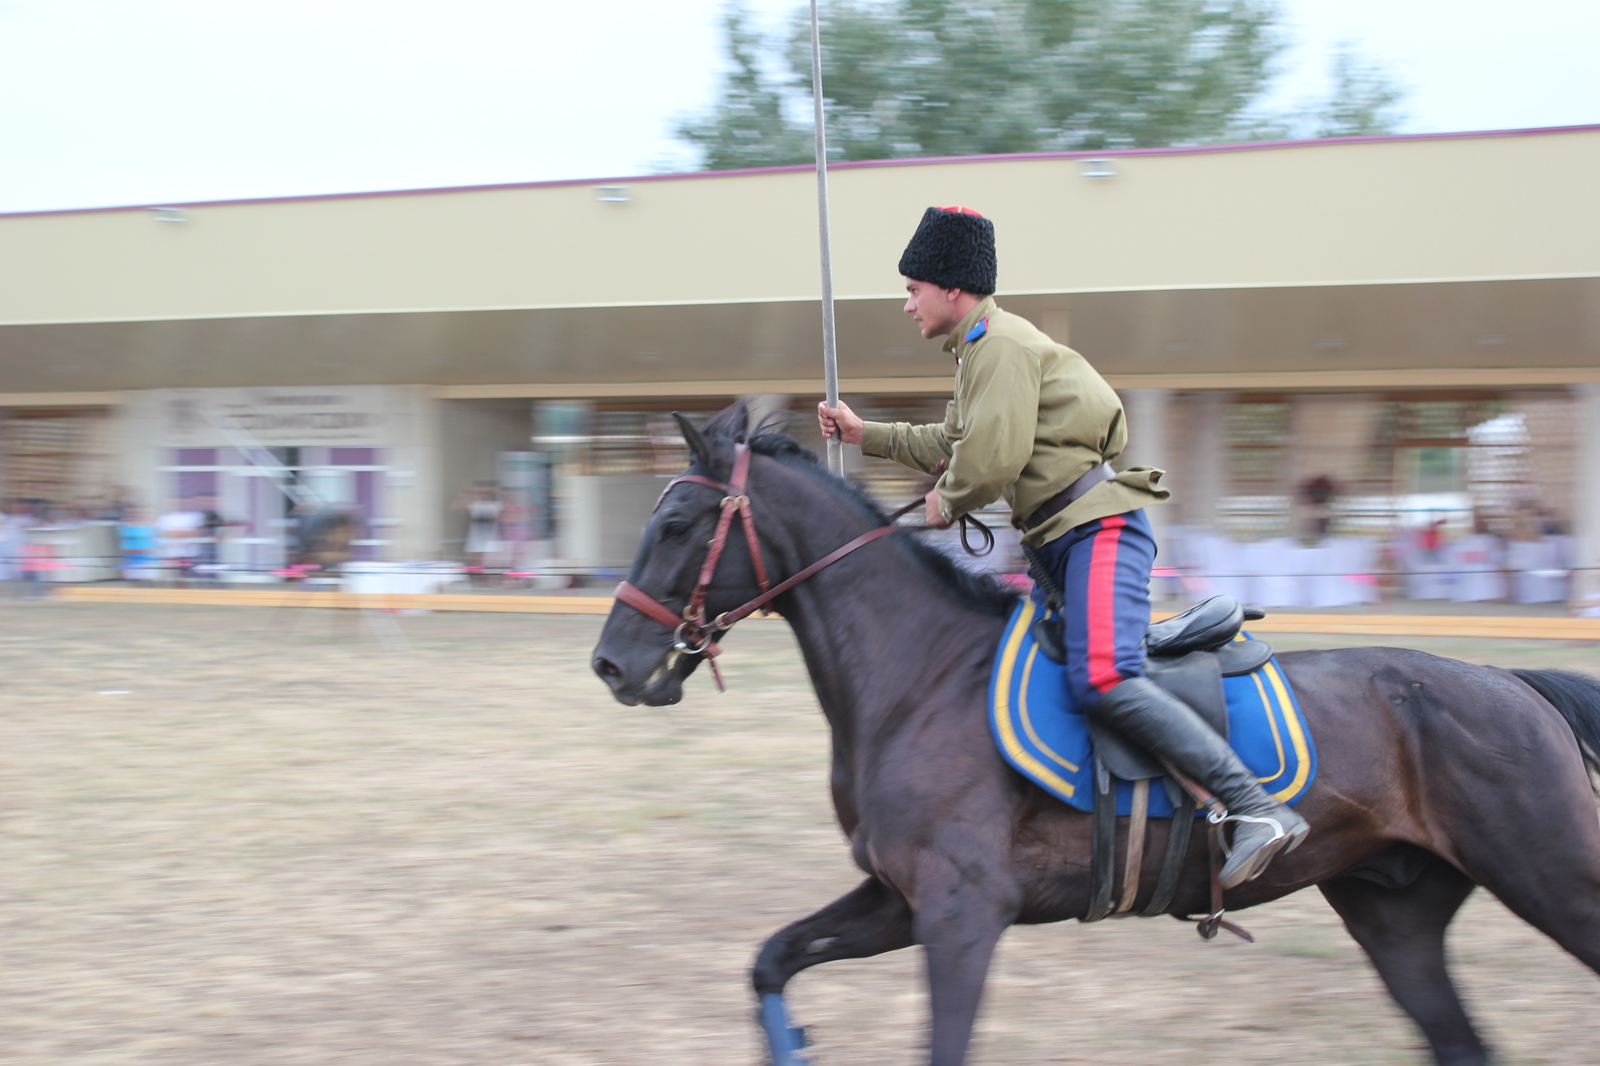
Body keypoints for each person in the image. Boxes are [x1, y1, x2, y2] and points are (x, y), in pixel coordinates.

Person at [817, 205, 1307, 889]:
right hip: (1059, 544)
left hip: (1097, 530)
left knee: (1103, 677)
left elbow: (989, 460)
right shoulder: (978, 352)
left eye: (912, 289)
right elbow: (952, 445)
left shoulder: (1001, 347)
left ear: (951, 288)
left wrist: (944, 502)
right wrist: (863, 434)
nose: (907, 305)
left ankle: (1257, 808)